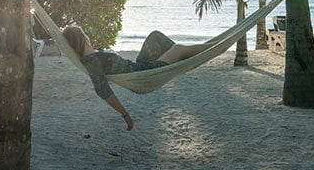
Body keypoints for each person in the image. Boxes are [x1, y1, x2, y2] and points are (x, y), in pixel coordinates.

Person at [62, 25, 216, 131]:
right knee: (178, 49)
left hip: (138, 66)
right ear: (82, 37)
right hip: (144, 73)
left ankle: (185, 58)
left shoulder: (93, 55)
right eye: (83, 33)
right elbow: (103, 91)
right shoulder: (92, 62)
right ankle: (213, 46)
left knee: (155, 36)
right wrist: (125, 115)